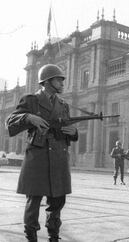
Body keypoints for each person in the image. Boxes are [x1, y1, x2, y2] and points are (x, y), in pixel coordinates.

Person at [6, 64, 78, 242]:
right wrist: (28, 117)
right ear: (47, 81)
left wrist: (73, 132)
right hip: (38, 156)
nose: (62, 83)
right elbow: (10, 122)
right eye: (58, 79)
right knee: (34, 199)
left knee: (58, 200)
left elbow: (64, 131)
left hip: (59, 156)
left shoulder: (63, 105)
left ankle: (54, 235)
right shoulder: (31, 100)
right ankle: (31, 236)